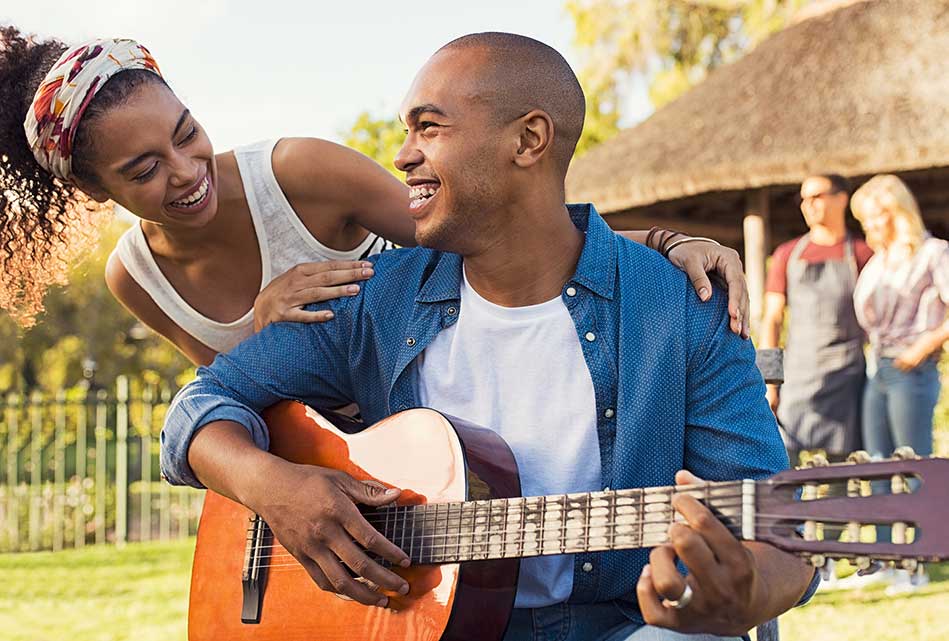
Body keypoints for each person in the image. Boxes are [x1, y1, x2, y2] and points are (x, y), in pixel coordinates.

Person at [161, 33, 816, 640]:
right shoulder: (373, 300)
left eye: (429, 126)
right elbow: (197, 410)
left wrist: (744, 593)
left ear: (528, 139)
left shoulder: (681, 309)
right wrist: (274, 488)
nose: (401, 154)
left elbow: (779, 534)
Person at [0, 26, 750, 368]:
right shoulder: (136, 277)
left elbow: (503, 231)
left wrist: (664, 245)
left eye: (186, 132)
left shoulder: (297, 173)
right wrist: (266, 334)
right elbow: (235, 396)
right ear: (95, 189)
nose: (186, 169)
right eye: (143, 170)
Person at [850, 174, 949, 595]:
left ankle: (916, 565)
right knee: (877, 466)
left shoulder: (934, 253)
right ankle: (889, 560)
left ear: (895, 213)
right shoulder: (879, 261)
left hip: (913, 370)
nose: (868, 227)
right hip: (879, 370)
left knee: (911, 466)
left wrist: (924, 345)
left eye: (873, 218)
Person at [759, 175, 873, 464]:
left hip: (846, 375)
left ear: (841, 198)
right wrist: (769, 381)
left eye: (817, 196)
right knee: (782, 464)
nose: (808, 205)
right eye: (804, 199)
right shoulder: (786, 254)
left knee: (840, 469)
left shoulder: (862, 253)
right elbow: (772, 318)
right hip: (797, 375)